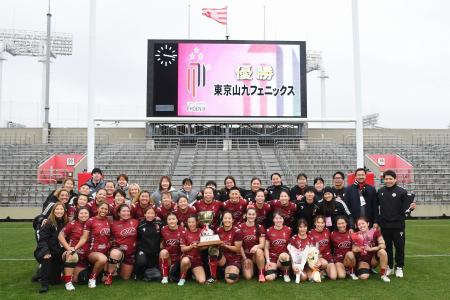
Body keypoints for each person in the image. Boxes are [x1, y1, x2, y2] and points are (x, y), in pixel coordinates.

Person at [376, 170, 416, 278]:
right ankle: (389, 267)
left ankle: (399, 267)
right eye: (386, 179)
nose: (388, 181)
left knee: (399, 247)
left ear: (395, 179)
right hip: (384, 226)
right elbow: (376, 207)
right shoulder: (380, 191)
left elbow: (406, 209)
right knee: (387, 248)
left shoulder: (402, 192)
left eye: (390, 179)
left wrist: (411, 208)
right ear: (383, 179)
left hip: (398, 225)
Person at [34, 202, 68, 293]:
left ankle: (40, 274)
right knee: (47, 258)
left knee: (55, 282)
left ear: (64, 211)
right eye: (57, 209)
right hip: (47, 251)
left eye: (61, 209)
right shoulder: (48, 223)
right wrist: (46, 251)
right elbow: (42, 240)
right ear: (53, 211)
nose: (59, 211)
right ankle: (44, 284)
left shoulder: (66, 222)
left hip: (57, 252)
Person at [79, 201, 111, 288]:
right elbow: (84, 237)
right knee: (102, 259)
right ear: (97, 209)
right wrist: (75, 248)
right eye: (102, 208)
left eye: (106, 209)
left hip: (105, 250)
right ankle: (92, 279)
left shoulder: (108, 220)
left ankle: (104, 275)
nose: (103, 210)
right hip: (93, 252)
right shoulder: (91, 220)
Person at [58, 207, 91, 290]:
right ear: (77, 215)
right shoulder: (72, 224)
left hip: (86, 256)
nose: (84, 215)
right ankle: (68, 282)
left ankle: (65, 273)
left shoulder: (91, 224)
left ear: (89, 214)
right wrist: (68, 248)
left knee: (79, 280)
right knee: (72, 255)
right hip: (73, 254)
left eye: (86, 213)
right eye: (81, 213)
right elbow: (60, 236)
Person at [106, 204, 138, 285]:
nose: (126, 213)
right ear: (119, 213)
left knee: (125, 277)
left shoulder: (135, 222)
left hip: (131, 253)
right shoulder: (113, 224)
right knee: (115, 253)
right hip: (119, 250)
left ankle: (117, 267)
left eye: (128, 211)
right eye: (123, 211)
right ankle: (109, 275)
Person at [352, 217, 390, 282]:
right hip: (363, 260)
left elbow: (383, 245)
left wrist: (371, 249)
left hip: (373, 259)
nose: (361, 225)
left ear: (368, 224)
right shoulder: (356, 235)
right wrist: (360, 248)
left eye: (363, 223)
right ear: (357, 226)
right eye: (359, 224)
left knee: (382, 251)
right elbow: (354, 249)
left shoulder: (375, 232)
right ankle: (366, 269)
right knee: (364, 277)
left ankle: (383, 275)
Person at [209, 212, 243, 284]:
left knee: (230, 280)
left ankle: (236, 273)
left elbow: (237, 249)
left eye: (229, 218)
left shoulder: (237, 231)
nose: (227, 220)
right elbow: (215, 244)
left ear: (232, 220)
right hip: (223, 259)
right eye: (225, 218)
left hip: (234, 259)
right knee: (213, 250)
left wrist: (225, 245)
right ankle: (213, 277)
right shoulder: (218, 230)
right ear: (222, 220)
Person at [239, 206, 266, 282]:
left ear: (256, 215)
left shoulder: (260, 227)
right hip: (245, 255)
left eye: (253, 214)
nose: (251, 216)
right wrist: (245, 258)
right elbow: (239, 245)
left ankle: (261, 274)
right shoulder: (240, 227)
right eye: (249, 214)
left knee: (259, 251)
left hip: (255, 255)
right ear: (246, 215)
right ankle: (253, 268)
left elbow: (262, 244)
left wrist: (256, 246)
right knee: (248, 277)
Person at [135, 207, 162, 280]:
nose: (150, 215)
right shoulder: (140, 225)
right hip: (143, 250)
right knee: (141, 262)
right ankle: (138, 273)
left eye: (152, 213)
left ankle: (149, 273)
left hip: (155, 252)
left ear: (155, 215)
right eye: (148, 213)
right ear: (144, 214)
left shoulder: (159, 223)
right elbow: (137, 238)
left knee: (158, 276)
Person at [264, 213, 292, 282]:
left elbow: (291, 246)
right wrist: (267, 261)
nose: (278, 220)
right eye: (276, 218)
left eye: (280, 218)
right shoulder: (269, 231)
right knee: (269, 278)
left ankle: (286, 274)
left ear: (283, 219)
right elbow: (266, 248)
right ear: (273, 220)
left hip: (283, 258)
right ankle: (276, 272)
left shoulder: (288, 230)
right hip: (273, 257)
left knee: (284, 255)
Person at [179, 215, 206, 286]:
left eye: (193, 222)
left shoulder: (202, 232)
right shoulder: (184, 233)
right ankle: (182, 278)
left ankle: (192, 273)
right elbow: (183, 249)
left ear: (197, 222)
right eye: (189, 222)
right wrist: (191, 246)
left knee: (202, 281)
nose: (191, 224)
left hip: (197, 260)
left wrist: (200, 246)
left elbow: (205, 247)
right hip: (187, 258)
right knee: (185, 261)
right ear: (187, 223)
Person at [309, 215, 337, 280]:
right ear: (315, 223)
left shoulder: (327, 231)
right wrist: (317, 257)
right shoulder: (311, 233)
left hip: (328, 256)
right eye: (318, 222)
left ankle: (323, 271)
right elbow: (311, 249)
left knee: (333, 277)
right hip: (319, 257)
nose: (320, 224)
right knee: (324, 263)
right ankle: (319, 270)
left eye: (322, 223)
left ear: (325, 223)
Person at [330, 216, 358, 280]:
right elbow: (329, 247)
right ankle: (345, 270)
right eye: (339, 224)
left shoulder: (351, 233)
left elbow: (355, 248)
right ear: (336, 225)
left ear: (346, 223)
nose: (341, 225)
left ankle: (352, 272)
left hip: (349, 258)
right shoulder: (332, 234)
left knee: (350, 253)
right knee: (341, 276)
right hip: (338, 259)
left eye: (343, 223)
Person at [159, 213, 183, 284]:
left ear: (177, 220)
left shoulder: (182, 230)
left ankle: (174, 273)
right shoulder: (163, 229)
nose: (171, 221)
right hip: (168, 257)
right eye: (169, 219)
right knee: (163, 252)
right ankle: (165, 277)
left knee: (173, 276)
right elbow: (160, 243)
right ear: (167, 221)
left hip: (179, 258)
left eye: (173, 219)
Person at [287, 218, 312, 283]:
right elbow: (291, 254)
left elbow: (314, 253)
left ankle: (308, 270)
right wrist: (293, 265)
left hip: (307, 263)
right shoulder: (293, 239)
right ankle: (294, 272)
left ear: (307, 227)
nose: (303, 229)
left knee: (311, 278)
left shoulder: (311, 238)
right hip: (297, 264)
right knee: (303, 278)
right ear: (298, 228)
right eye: (301, 227)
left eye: (304, 227)